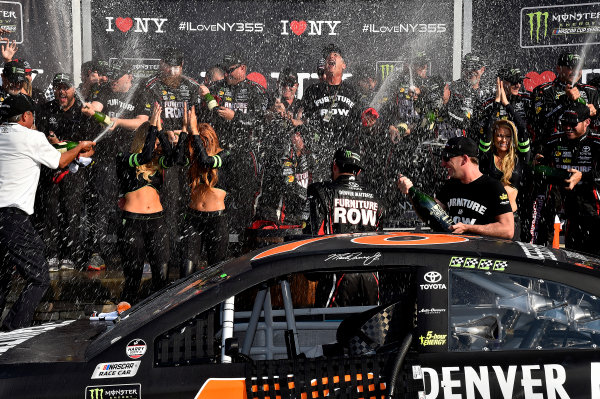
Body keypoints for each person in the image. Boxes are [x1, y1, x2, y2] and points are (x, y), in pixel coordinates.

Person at [0, 94, 94, 330]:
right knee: (39, 277)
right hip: (11, 216)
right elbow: (59, 162)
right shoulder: (31, 137)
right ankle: (10, 330)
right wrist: (81, 147)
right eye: (32, 116)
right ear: (26, 116)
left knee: (2, 277)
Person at [81, 60, 151, 270]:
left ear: (128, 77)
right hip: (106, 157)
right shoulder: (103, 89)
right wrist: (90, 109)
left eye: (117, 77)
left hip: (132, 158)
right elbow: (96, 106)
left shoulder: (140, 92)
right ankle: (97, 252)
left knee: (134, 203)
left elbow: (142, 122)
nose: (112, 80)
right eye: (110, 75)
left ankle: (134, 251)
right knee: (102, 204)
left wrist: (117, 122)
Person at [198, 52, 267, 254]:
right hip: (220, 151)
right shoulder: (217, 88)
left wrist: (235, 117)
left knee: (245, 200)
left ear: (243, 68)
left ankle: (244, 248)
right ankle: (217, 244)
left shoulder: (256, 91)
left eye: (231, 70)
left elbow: (260, 121)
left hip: (245, 153)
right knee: (217, 196)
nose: (227, 73)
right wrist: (203, 95)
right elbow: (205, 113)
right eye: (225, 70)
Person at [305, 147, 381, 307]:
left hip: (338, 274)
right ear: (358, 172)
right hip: (371, 276)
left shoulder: (321, 191)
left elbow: (312, 233)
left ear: (334, 166)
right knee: (370, 328)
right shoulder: (375, 199)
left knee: (327, 328)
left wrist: (311, 272)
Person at [398, 136, 514, 239]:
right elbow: (431, 214)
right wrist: (410, 192)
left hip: (480, 256)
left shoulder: (493, 187)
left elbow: (508, 230)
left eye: (447, 158)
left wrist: (468, 228)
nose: (443, 164)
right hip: (453, 252)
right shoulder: (451, 184)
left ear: (464, 159)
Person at [117, 103, 175, 304]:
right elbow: (145, 155)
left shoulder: (159, 161)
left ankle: (160, 318)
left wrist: (159, 131)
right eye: (154, 140)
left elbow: (173, 156)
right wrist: (151, 126)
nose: (158, 145)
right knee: (133, 277)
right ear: (144, 138)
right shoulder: (124, 158)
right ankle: (124, 322)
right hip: (133, 224)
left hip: (157, 222)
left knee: (162, 277)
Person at [36, 73, 94, 271]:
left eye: (66, 87)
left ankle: (69, 255)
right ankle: (51, 254)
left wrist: (60, 145)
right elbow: (42, 142)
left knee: (71, 212)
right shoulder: (45, 109)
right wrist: (71, 146)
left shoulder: (82, 111)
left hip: (74, 171)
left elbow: (89, 147)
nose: (62, 91)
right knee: (50, 211)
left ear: (73, 90)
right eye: (58, 86)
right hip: (50, 168)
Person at [535, 103, 600, 255]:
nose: (567, 128)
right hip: (570, 213)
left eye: (573, 124)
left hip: (595, 212)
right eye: (564, 123)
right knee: (574, 258)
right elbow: (538, 167)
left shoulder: (596, 142)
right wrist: (540, 161)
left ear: (587, 122)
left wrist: (583, 176)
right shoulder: (554, 141)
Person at [301, 44, 367, 181]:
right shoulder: (313, 91)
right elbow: (302, 119)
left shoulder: (352, 92)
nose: (331, 56)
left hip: (346, 155)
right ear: (325, 66)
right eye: (328, 56)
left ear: (344, 65)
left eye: (336, 55)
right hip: (320, 155)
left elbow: (361, 121)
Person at [178, 106, 230, 276]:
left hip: (216, 219)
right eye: (198, 141)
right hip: (193, 218)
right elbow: (178, 158)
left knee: (217, 271)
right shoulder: (194, 156)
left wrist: (194, 131)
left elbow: (206, 161)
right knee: (186, 270)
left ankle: (217, 303)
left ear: (212, 139)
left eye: (204, 140)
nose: (200, 144)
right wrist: (185, 131)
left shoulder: (224, 154)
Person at [479, 78, 530, 240]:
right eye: (499, 135)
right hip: (489, 219)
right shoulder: (486, 157)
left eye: (507, 136)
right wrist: (496, 102)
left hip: (511, 221)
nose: (503, 140)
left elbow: (522, 128)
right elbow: (487, 129)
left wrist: (507, 104)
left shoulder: (520, 157)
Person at [531, 52, 599, 141]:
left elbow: (596, 124)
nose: (575, 72)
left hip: (586, 146)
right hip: (553, 144)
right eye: (570, 68)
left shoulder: (590, 91)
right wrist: (565, 100)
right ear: (559, 69)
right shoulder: (544, 90)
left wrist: (595, 114)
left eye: (579, 68)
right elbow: (539, 119)